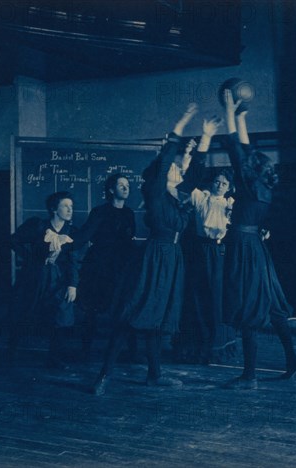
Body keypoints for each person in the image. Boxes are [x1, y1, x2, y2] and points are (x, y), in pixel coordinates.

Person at [91, 104, 222, 395]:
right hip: (154, 258)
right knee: (131, 314)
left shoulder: (181, 197)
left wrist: (206, 137)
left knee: (158, 319)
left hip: (173, 260)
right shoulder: (155, 194)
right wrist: (183, 120)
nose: (178, 171)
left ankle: (154, 373)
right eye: (174, 170)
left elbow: (196, 171)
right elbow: (165, 161)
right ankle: (104, 374)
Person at [221, 89, 296, 390]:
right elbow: (244, 151)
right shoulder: (262, 187)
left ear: (251, 171)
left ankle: (249, 375)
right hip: (256, 248)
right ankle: (292, 358)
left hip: (244, 248)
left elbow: (236, 150)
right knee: (272, 307)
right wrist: (243, 119)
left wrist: (230, 113)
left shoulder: (250, 185)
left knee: (247, 307)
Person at [8, 191, 80, 369]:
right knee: (25, 311)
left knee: (61, 314)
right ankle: (12, 350)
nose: (70, 209)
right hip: (35, 276)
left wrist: (73, 284)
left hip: (59, 279)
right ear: (54, 209)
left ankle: (54, 357)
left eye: (71, 206)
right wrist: (31, 258)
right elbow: (14, 240)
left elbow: (73, 261)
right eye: (65, 206)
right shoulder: (38, 226)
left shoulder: (71, 232)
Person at [176, 167, 237, 364]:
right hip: (200, 252)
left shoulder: (231, 203)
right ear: (212, 182)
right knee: (198, 296)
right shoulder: (202, 197)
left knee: (217, 297)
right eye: (217, 181)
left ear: (229, 187)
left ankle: (218, 348)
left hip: (221, 254)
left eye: (224, 183)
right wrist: (187, 159)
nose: (220, 186)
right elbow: (185, 185)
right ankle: (197, 348)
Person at [75, 174, 138, 361]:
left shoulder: (129, 213)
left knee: (126, 308)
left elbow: (129, 240)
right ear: (111, 189)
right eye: (121, 185)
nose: (126, 188)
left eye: (127, 185)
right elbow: (86, 235)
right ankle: (85, 351)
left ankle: (131, 352)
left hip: (121, 267)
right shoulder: (99, 212)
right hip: (100, 267)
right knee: (92, 309)